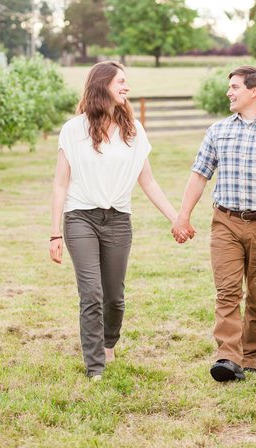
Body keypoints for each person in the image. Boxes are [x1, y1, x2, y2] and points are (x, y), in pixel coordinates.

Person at [49, 61, 183, 380]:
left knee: (114, 297)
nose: (127, 87)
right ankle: (95, 365)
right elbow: (60, 183)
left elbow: (147, 181)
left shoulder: (132, 131)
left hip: (118, 220)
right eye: (121, 81)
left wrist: (176, 218)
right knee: (91, 293)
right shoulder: (73, 130)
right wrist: (54, 233)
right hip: (80, 217)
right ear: (102, 85)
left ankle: (109, 343)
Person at [172, 65, 256, 382]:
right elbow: (200, 174)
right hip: (224, 222)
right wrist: (183, 215)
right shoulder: (217, 131)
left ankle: (250, 355)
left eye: (234, 87)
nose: (229, 92)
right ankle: (227, 357)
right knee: (227, 291)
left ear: (253, 90)